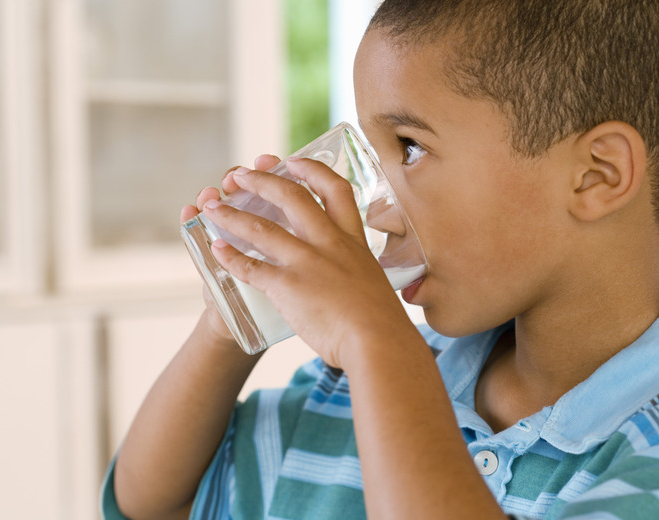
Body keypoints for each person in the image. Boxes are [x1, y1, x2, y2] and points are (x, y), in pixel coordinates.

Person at [102, 0, 659, 518]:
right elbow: (153, 504)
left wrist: (378, 343)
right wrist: (225, 328)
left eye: (410, 148)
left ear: (596, 175)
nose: (376, 214)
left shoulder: (381, 364)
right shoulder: (354, 387)